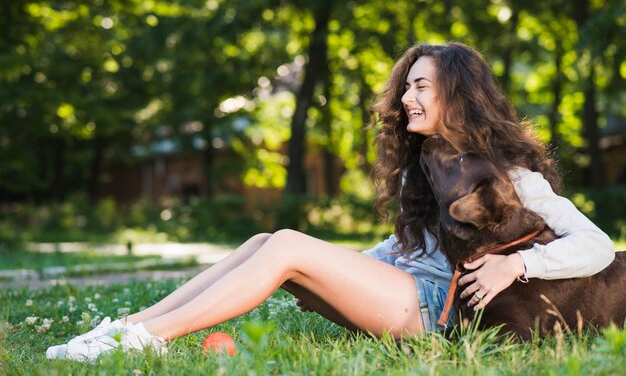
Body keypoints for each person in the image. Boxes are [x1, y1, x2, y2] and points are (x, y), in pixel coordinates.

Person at [46, 42, 615, 362]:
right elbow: (401, 247)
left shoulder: (508, 171)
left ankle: (148, 343)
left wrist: (518, 263)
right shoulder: (428, 164)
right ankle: (122, 329)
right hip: (404, 290)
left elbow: (596, 245)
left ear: (458, 95)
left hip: (437, 312)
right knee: (268, 243)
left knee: (289, 243)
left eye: (422, 86)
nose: (406, 96)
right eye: (406, 84)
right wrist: (342, 268)